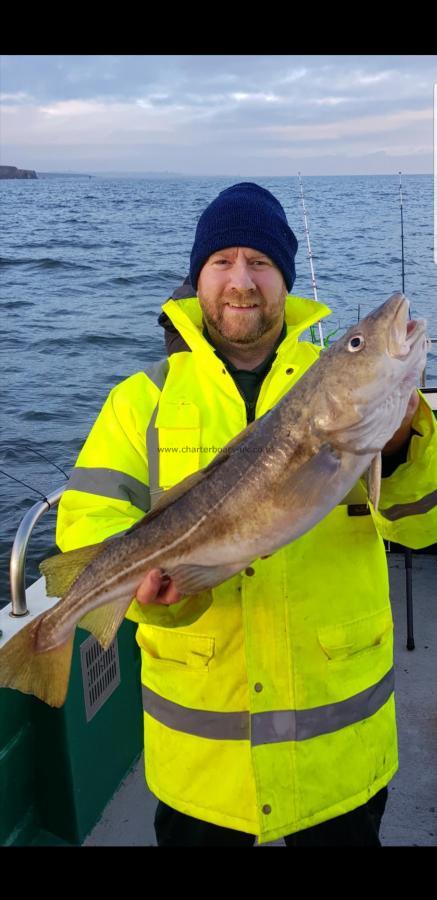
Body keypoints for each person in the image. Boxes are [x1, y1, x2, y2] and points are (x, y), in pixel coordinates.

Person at [56, 183, 437, 846]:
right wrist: (157, 599)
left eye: (260, 262)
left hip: (336, 755)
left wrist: (401, 442)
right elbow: (87, 526)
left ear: (284, 280)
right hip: (203, 766)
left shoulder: (352, 415)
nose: (241, 280)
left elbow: (422, 525)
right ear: (196, 279)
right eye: (222, 261)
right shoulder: (138, 401)